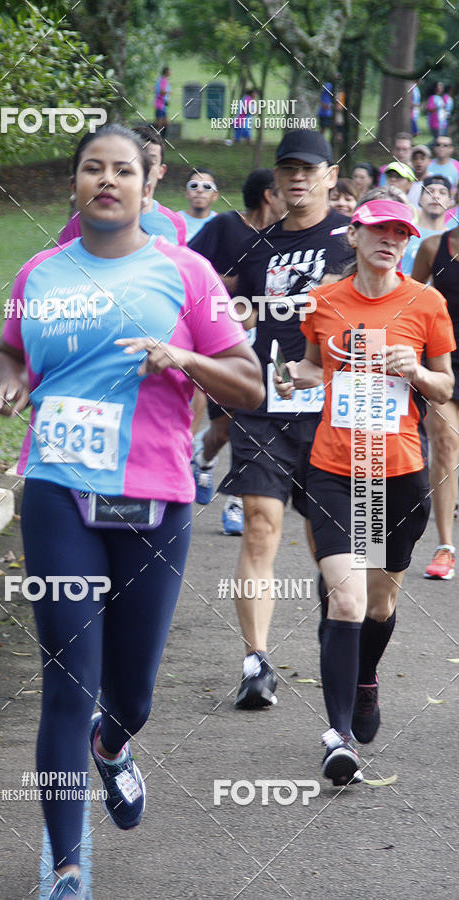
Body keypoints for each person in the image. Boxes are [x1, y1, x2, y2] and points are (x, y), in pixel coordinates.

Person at [0, 123, 264, 900]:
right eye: (90, 170)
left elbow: (246, 385)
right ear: (74, 185)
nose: (105, 181)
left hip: (153, 494)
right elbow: (10, 347)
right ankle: (67, 865)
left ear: (150, 184)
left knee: (130, 693)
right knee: (66, 678)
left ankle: (113, 745)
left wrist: (185, 358)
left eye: (122, 170)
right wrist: (8, 380)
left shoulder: (187, 273)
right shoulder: (39, 272)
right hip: (57, 488)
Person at [275, 197, 455, 784]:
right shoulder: (324, 302)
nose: (391, 240)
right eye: (379, 230)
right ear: (354, 236)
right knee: (346, 599)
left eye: (401, 233)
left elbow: (445, 382)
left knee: (378, 603)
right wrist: (289, 375)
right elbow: (312, 367)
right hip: (333, 468)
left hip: (396, 473)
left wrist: (417, 371)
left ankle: (365, 678)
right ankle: (339, 736)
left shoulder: (426, 302)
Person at [219, 130, 355, 708]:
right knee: (259, 524)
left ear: (330, 174)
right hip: (264, 408)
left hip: (331, 410)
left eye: (309, 169)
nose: (297, 178)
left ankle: (342, 636)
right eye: (287, 170)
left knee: (332, 541)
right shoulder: (256, 248)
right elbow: (221, 307)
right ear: (275, 179)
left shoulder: (352, 240)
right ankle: (256, 662)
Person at [188, 169, 286, 534]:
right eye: (283, 191)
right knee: (224, 429)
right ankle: (204, 458)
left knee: (254, 422)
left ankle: (235, 503)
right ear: (267, 195)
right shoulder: (227, 226)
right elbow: (188, 267)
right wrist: (228, 289)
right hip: (224, 341)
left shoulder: (286, 237)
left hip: (270, 342)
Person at [413, 221, 459, 580]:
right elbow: (410, 300)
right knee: (444, 443)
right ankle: (445, 547)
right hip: (444, 361)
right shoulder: (433, 247)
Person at [57, 126, 186, 246]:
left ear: (161, 170)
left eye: (151, 160)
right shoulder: (86, 219)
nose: (108, 180)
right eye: (94, 169)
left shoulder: (175, 224)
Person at [401, 174, 453, 274]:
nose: (435, 196)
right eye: (429, 192)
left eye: (442, 193)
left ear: (450, 202)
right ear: (420, 199)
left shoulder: (453, 240)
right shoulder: (405, 232)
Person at [178, 170, 219, 242]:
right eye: (194, 185)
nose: (200, 190)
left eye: (207, 186)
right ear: (187, 193)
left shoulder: (221, 223)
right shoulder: (173, 221)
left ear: (215, 195)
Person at [154, 66, 171, 134]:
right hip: (160, 104)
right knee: (159, 124)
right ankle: (152, 136)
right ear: (166, 72)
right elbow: (161, 91)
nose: (171, 72)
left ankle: (161, 139)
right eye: (170, 71)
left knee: (165, 123)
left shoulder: (162, 80)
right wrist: (168, 92)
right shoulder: (163, 80)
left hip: (163, 104)